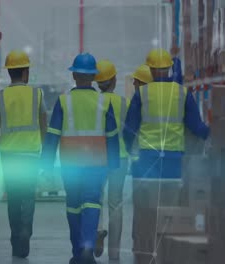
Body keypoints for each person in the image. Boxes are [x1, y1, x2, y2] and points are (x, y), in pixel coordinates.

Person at [123, 48, 210, 264]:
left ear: (151, 70)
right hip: (173, 167)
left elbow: (128, 131)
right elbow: (197, 128)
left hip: (146, 165)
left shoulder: (141, 94)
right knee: (170, 216)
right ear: (169, 69)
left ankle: (144, 255)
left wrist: (130, 151)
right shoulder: (183, 94)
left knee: (145, 215)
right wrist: (214, 132)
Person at [42, 53, 120, 264]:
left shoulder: (63, 102)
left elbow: (52, 135)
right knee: (92, 203)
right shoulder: (104, 102)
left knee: (73, 206)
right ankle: (87, 246)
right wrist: (114, 164)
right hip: (97, 164)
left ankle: (78, 251)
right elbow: (112, 136)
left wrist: (46, 165)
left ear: (74, 75)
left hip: (70, 164)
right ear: (93, 77)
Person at [0, 50, 47, 259]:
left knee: (13, 198)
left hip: (9, 156)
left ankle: (16, 238)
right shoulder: (37, 94)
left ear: (10, 72)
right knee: (28, 196)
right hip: (31, 155)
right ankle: (25, 233)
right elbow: (44, 127)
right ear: (26, 72)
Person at [92, 60, 129, 261]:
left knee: (95, 199)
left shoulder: (94, 102)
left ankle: (97, 231)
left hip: (97, 158)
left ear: (98, 83)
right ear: (114, 80)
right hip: (120, 159)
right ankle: (114, 252)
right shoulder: (124, 103)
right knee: (116, 203)